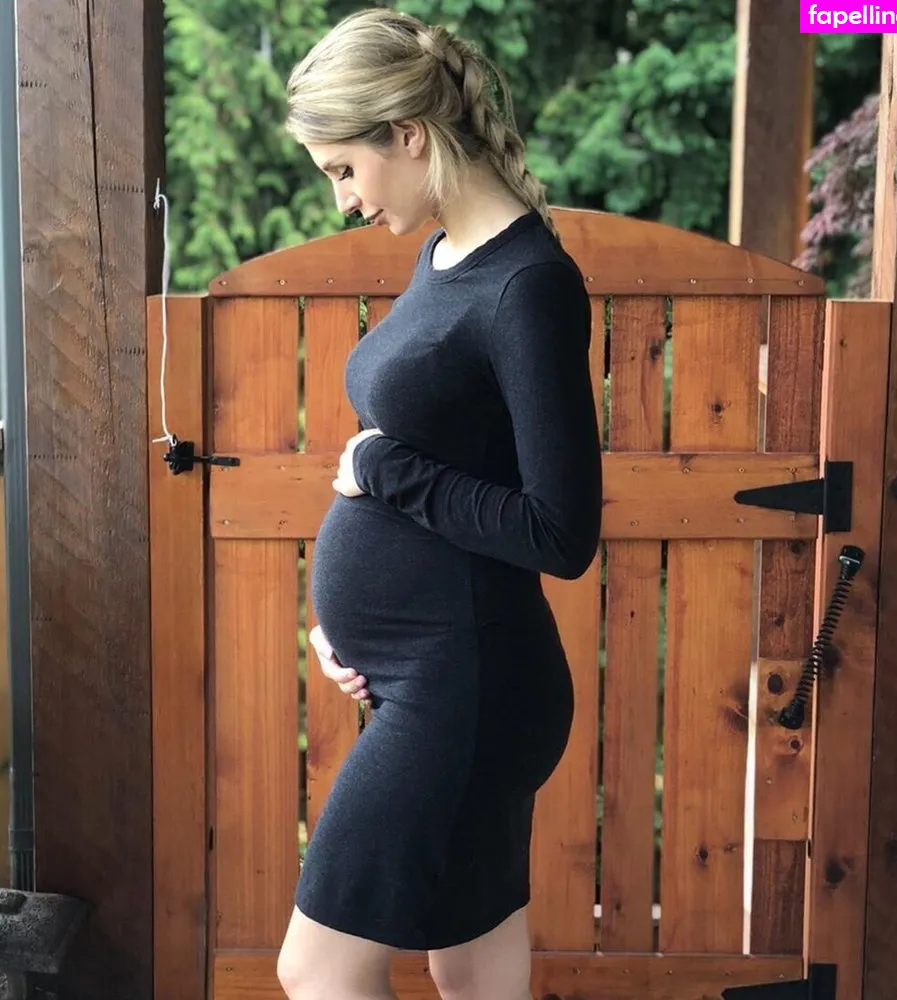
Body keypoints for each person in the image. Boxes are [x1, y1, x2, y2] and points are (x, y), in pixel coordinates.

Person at [278, 8, 603, 1000]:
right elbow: (444, 466)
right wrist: (359, 634)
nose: (342, 199)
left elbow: (560, 530)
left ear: (408, 134)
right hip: (432, 677)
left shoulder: (528, 284)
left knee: (315, 970)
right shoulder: (446, 258)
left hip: (466, 689)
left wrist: (385, 471)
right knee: (472, 972)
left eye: (345, 169)